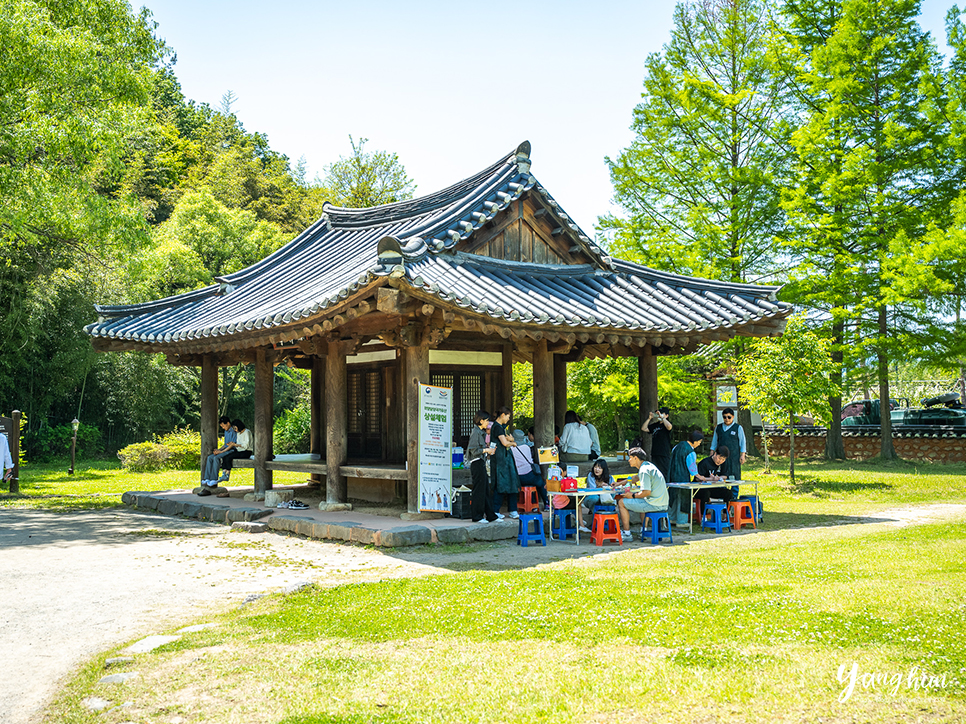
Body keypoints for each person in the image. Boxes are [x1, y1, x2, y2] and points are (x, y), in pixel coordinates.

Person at [617, 447, 668, 541]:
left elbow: (646, 492)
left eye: (630, 458)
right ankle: (643, 531)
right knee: (641, 499)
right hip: (661, 502)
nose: (629, 460)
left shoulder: (644, 471)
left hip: (655, 504)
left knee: (621, 502)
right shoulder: (648, 466)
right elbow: (636, 478)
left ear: (636, 458)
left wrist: (631, 496)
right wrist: (619, 483)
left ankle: (627, 534)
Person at [667, 430, 704, 526]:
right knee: (683, 499)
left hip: (672, 478)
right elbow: (693, 471)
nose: (699, 444)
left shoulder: (677, 447)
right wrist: (703, 478)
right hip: (683, 478)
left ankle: (672, 518)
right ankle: (681, 521)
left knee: (673, 498)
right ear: (696, 441)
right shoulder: (690, 452)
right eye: (699, 442)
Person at [489, 407, 521, 519]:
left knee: (512, 483)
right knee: (500, 484)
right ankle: (496, 510)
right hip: (500, 460)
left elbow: (508, 439)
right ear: (503, 415)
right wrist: (513, 443)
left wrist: (510, 440)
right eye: (508, 416)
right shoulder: (497, 427)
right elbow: (504, 442)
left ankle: (512, 509)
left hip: (504, 459)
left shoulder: (501, 427)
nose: (508, 419)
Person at [468, 410, 498, 523]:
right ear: (480, 421)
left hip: (481, 461)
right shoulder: (476, 432)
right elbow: (473, 450)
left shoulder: (481, 432)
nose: (488, 423)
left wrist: (488, 450)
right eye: (486, 420)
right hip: (476, 462)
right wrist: (486, 450)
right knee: (479, 490)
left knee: (485, 489)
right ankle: (477, 516)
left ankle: (491, 515)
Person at [510, 428, 548, 509]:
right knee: (540, 484)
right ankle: (546, 503)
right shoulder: (526, 447)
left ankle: (523, 506)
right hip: (530, 475)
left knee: (527, 485)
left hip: (518, 478)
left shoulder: (510, 449)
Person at [579, 458, 617, 533]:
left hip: (605, 498)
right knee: (595, 498)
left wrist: (607, 487)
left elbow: (613, 489)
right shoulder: (591, 475)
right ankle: (598, 519)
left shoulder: (609, 478)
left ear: (604, 469)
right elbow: (593, 490)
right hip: (592, 498)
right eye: (595, 467)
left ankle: (603, 521)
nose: (597, 469)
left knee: (610, 496)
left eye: (600, 468)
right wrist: (600, 487)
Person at [637, 407, 672, 482]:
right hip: (655, 453)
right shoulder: (655, 425)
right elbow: (644, 428)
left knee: (664, 473)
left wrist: (663, 418)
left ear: (667, 415)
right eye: (658, 414)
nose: (659, 415)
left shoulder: (667, 425)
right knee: (656, 472)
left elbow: (669, 427)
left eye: (662, 414)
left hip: (664, 453)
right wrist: (649, 418)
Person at [200, 416, 237, 488]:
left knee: (216, 458)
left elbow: (232, 445)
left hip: (231, 450)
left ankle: (214, 479)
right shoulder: (226, 431)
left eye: (223, 425)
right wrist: (218, 450)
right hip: (225, 449)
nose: (223, 427)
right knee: (210, 457)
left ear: (228, 423)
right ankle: (207, 478)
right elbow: (225, 444)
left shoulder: (234, 431)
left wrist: (221, 452)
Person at [711, 408, 747, 480]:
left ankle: (734, 491)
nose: (727, 419)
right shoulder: (718, 428)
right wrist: (712, 452)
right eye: (724, 417)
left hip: (734, 456)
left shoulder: (738, 428)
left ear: (733, 417)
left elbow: (742, 442)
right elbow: (714, 441)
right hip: (721, 456)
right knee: (721, 474)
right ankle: (723, 490)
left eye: (729, 417)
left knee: (734, 475)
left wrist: (743, 455)